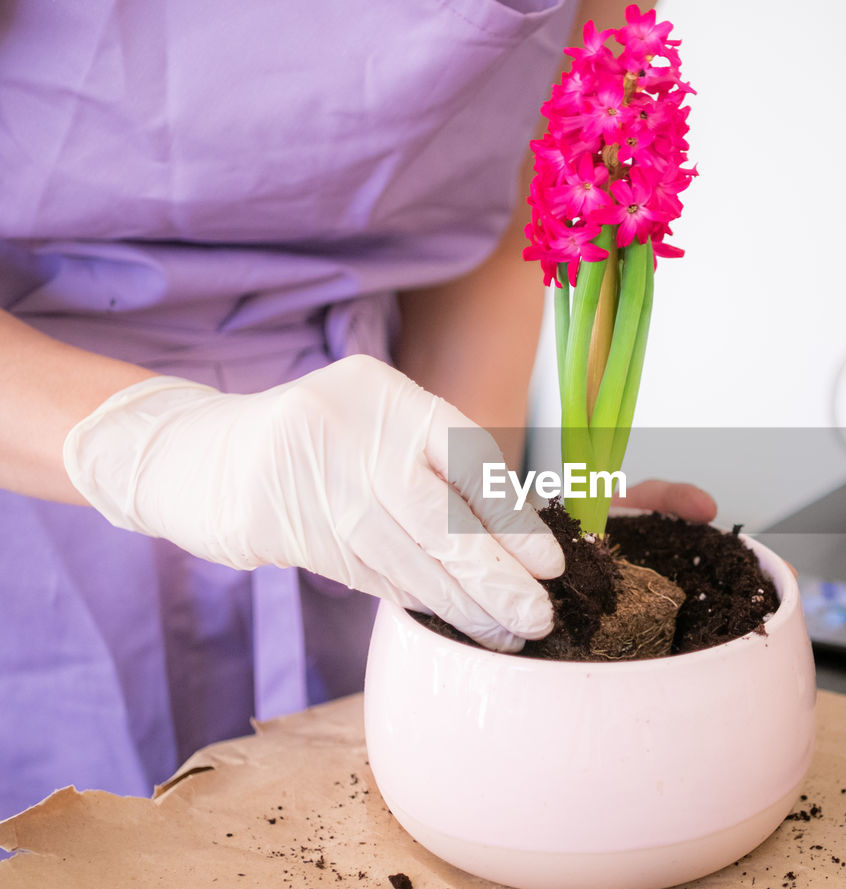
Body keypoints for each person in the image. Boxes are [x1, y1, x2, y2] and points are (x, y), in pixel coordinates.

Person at [0, 0, 715, 825]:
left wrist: (470, 518)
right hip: (40, 466)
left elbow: (510, 189)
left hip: (359, 448)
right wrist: (158, 450)